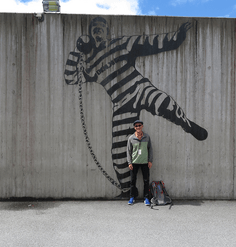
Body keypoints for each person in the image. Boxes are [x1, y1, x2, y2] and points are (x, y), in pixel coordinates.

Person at [65, 17, 208, 196]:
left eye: (101, 29)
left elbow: (149, 42)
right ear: (91, 35)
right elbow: (70, 78)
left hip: (139, 88)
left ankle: (187, 124)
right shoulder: (90, 64)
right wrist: (76, 53)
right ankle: (128, 190)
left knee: (164, 103)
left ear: (108, 33)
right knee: (118, 152)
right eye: (94, 30)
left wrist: (176, 37)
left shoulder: (120, 43)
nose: (98, 32)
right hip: (120, 104)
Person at [127, 120, 153, 206]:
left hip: (145, 162)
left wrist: (150, 160)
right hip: (134, 162)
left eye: (140, 125)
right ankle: (132, 197)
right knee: (132, 181)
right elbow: (128, 151)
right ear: (134, 127)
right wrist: (129, 162)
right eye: (136, 126)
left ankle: (146, 198)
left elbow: (150, 149)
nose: (138, 127)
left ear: (142, 126)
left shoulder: (147, 137)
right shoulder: (131, 138)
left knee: (146, 181)